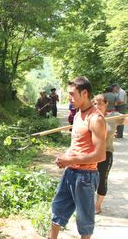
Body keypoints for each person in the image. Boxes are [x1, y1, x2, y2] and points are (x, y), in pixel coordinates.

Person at [49, 76, 106, 239]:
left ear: (85, 93)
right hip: (70, 173)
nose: (69, 98)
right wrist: (65, 156)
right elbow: (78, 145)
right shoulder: (77, 114)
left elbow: (100, 155)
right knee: (58, 209)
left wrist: (71, 160)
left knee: (84, 220)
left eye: (73, 94)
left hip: (86, 176)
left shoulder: (95, 119)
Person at [92, 94, 128, 214]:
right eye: (95, 104)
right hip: (90, 153)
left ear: (106, 104)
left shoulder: (113, 117)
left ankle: (97, 205)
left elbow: (126, 119)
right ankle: (86, 203)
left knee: (102, 179)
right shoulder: (90, 116)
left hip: (106, 153)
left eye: (101, 103)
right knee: (88, 179)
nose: (98, 106)